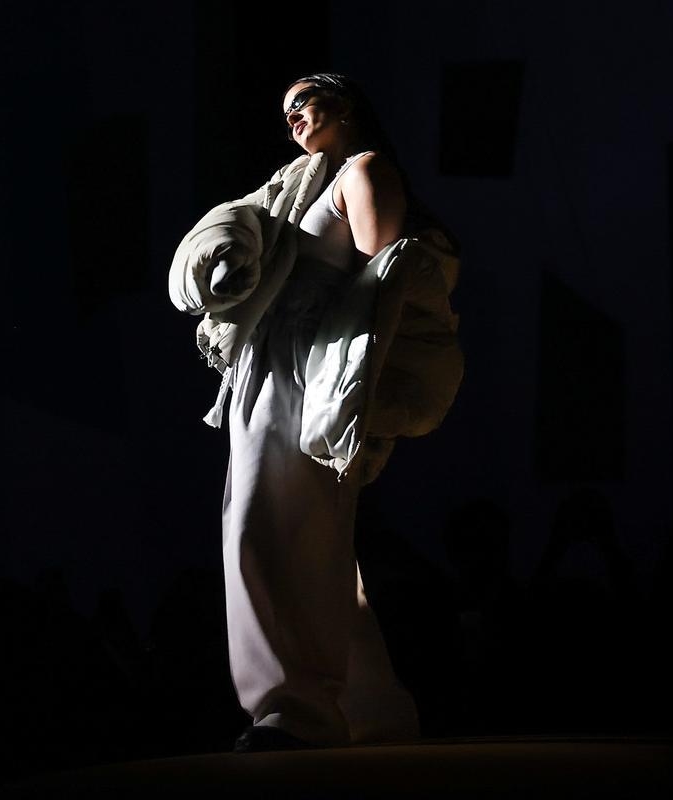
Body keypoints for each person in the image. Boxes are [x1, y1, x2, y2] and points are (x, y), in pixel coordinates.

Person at [219, 73, 430, 754]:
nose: (293, 121)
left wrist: (354, 395)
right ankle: (369, 704)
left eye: (303, 104)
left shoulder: (364, 171)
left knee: (273, 523)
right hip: (272, 365)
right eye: (285, 113)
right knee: (297, 530)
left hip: (309, 368)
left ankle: (295, 707)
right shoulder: (308, 186)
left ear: (342, 105)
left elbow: (384, 280)